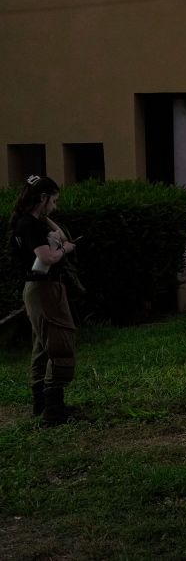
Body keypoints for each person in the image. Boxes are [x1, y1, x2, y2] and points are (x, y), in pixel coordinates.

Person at [10, 175, 79, 426]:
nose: (55, 206)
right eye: (53, 201)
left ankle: (42, 404)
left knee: (41, 346)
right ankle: (54, 410)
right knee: (60, 343)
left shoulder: (27, 221)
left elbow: (57, 234)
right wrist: (66, 250)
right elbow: (47, 257)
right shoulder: (30, 225)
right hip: (44, 289)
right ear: (43, 198)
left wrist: (44, 215)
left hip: (37, 290)